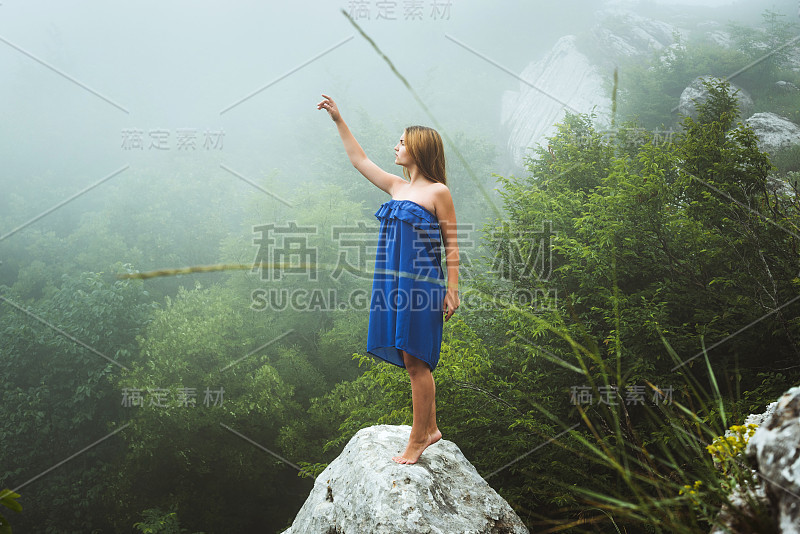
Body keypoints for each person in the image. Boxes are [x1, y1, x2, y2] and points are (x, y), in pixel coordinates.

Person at [317, 94, 460, 464]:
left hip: (423, 286)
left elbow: (453, 246)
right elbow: (359, 160)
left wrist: (453, 291)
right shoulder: (397, 187)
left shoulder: (437, 192)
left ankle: (419, 438)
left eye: (401, 141)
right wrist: (338, 120)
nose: (396, 146)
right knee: (410, 357)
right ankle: (430, 428)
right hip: (395, 284)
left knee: (417, 362)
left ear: (418, 149)